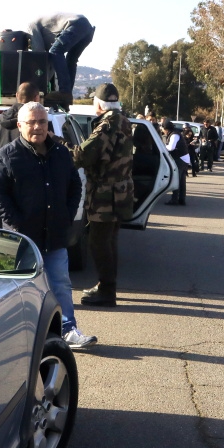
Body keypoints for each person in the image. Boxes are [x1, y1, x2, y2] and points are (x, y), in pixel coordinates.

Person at [0, 102, 96, 349]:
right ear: (19, 125)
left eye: (42, 122)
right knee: (13, 290)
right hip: (16, 240)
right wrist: (17, 221)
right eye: (31, 122)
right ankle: (10, 340)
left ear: (48, 124)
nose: (37, 127)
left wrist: (67, 215)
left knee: (61, 284)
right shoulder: (6, 156)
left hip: (54, 235)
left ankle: (68, 331)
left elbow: (74, 185)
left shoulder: (60, 153)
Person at [74, 83, 134, 307]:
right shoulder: (124, 120)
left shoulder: (107, 125)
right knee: (109, 242)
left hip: (105, 197)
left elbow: (83, 156)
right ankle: (106, 285)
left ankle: (107, 292)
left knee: (99, 243)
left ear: (98, 103)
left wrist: (57, 143)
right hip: (119, 194)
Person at [28, 13, 95, 105]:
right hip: (87, 28)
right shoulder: (45, 29)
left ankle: (65, 92)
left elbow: (39, 54)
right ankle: (67, 95)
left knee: (56, 51)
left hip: (75, 24)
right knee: (71, 60)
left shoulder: (31, 26)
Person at [0, 82, 41, 147]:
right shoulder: (39, 120)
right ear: (36, 98)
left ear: (17, 95)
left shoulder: (1, 118)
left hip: (0, 157)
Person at [163, 119, 190, 205]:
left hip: (180, 159)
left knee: (176, 180)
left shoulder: (174, 135)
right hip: (184, 159)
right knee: (181, 181)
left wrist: (163, 147)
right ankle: (182, 200)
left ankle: (174, 200)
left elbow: (171, 148)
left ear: (166, 128)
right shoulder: (175, 133)